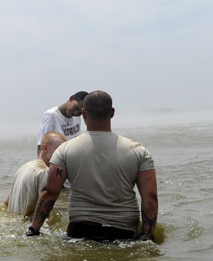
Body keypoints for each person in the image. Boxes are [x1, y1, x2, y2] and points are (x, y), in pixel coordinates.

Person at [26, 90, 158, 242]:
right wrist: (148, 237)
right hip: (124, 230)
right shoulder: (138, 151)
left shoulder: (64, 150)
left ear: (83, 114)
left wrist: (34, 229)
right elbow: (150, 198)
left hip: (80, 230)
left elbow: (49, 192)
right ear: (112, 113)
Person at [5, 132, 66, 217]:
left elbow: (7, 202)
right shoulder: (45, 172)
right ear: (45, 148)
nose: (62, 155)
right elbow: (44, 212)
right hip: (28, 225)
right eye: (58, 150)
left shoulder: (23, 167)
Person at [37, 91, 88, 156]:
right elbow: (41, 146)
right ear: (71, 98)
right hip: (56, 161)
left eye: (80, 112)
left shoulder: (76, 117)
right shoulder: (51, 115)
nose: (76, 113)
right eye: (76, 108)